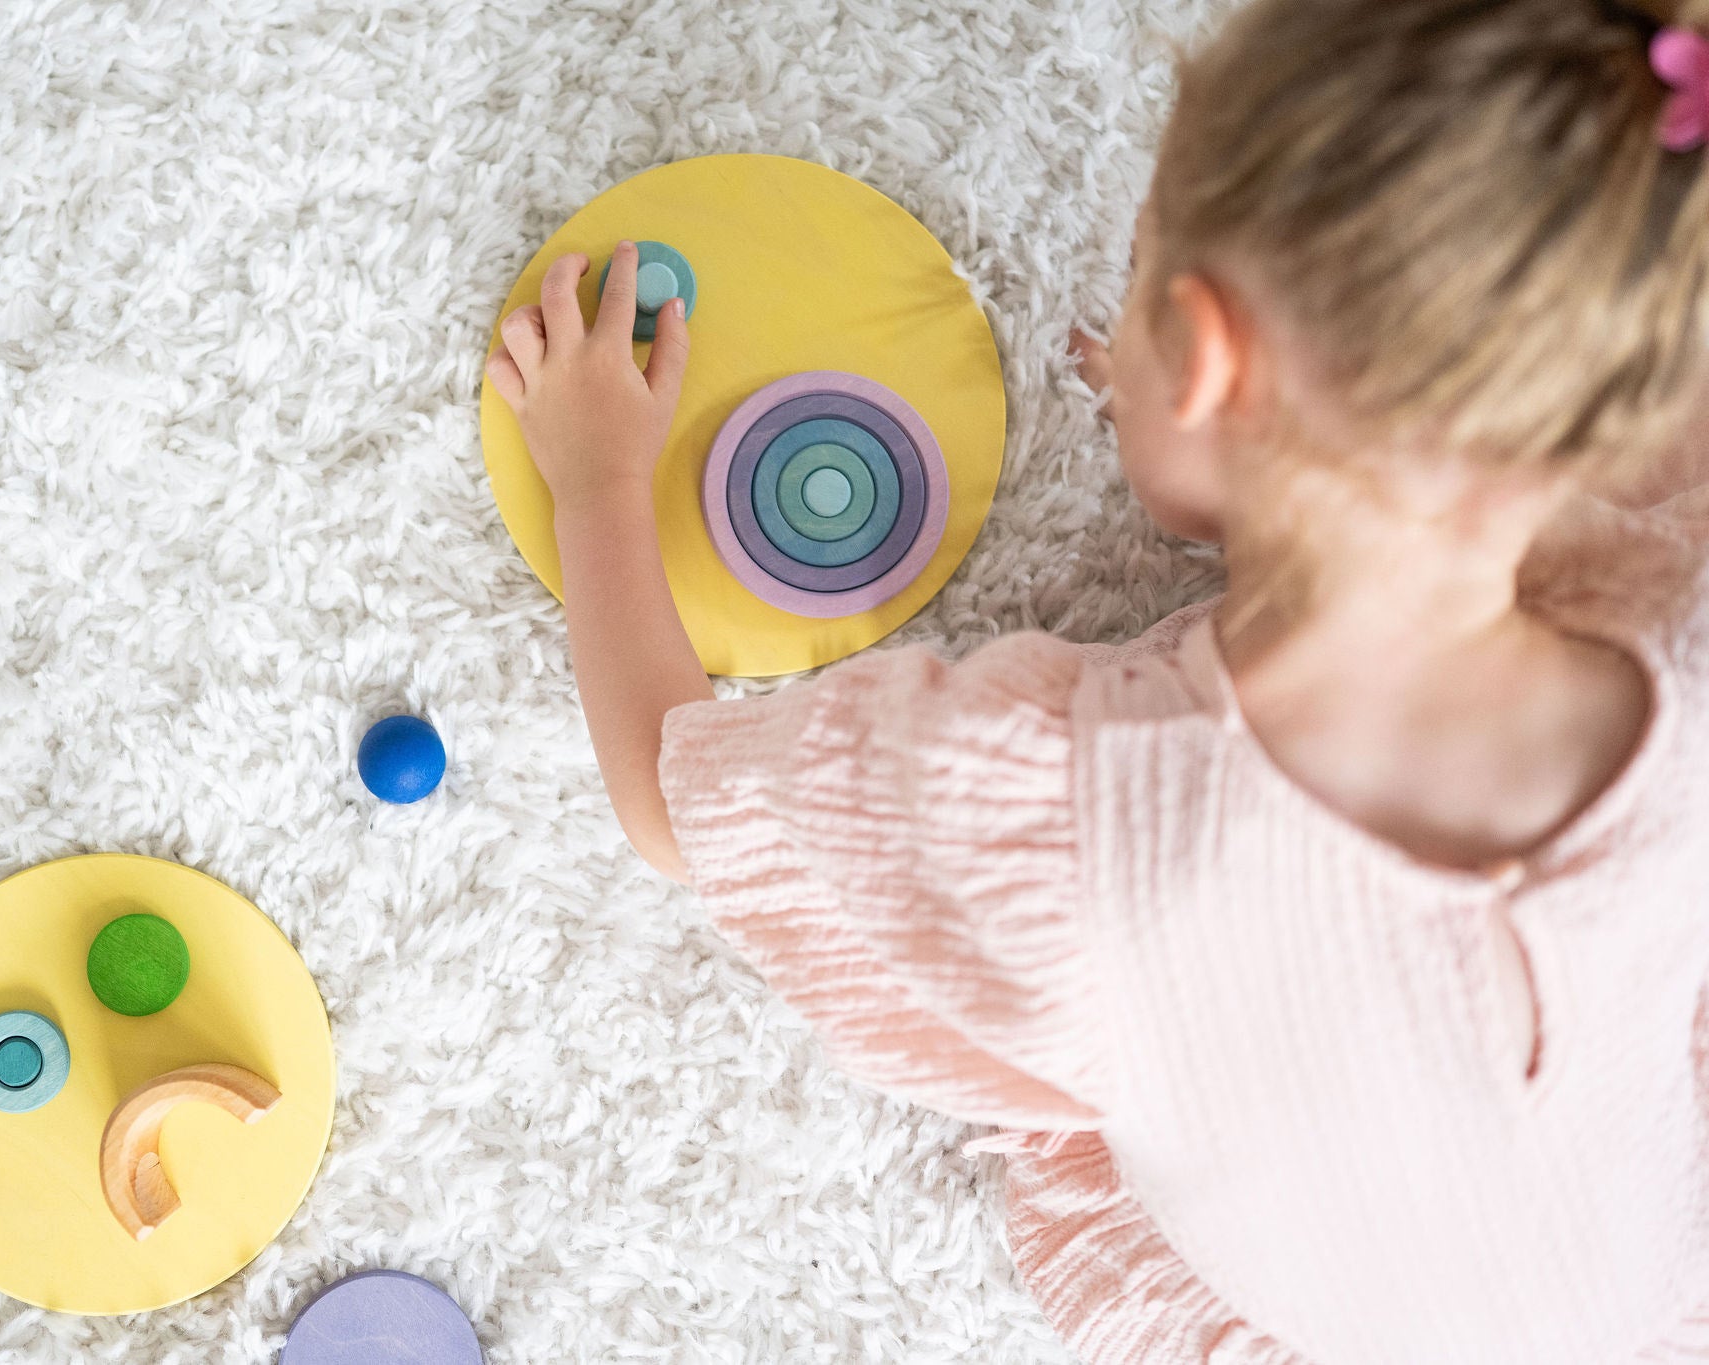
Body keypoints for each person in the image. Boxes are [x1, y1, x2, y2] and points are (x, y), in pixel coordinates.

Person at [484, 2, 1709, 1358]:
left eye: (1137, 275)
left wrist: (599, 479)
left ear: (1216, 362)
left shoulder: (1065, 807)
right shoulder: (1679, 614)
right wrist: (1246, 452)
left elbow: (673, 797)